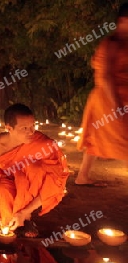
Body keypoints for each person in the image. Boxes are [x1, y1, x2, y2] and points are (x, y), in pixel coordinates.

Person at [0, 104, 69, 236]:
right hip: (7, 180)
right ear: (9, 128)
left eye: (33, 126)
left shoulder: (44, 145)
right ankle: (12, 220)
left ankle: (25, 218)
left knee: (35, 168)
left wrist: (25, 211)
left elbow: (56, 181)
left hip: (30, 184)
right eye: (24, 128)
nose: (31, 132)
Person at [75, 3, 128, 186]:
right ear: (122, 20)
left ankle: (82, 176)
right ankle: (82, 176)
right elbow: (105, 76)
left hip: (119, 96)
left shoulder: (124, 43)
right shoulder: (111, 43)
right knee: (122, 136)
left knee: (96, 137)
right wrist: (116, 105)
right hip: (109, 98)